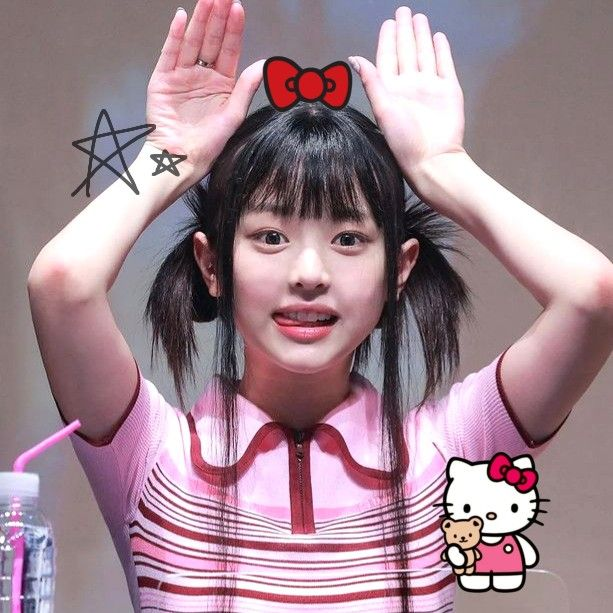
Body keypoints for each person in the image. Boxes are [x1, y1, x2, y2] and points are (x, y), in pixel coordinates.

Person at [26, 1, 613, 612]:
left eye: (349, 239)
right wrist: (170, 155)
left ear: (399, 270)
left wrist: (443, 168)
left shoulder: (451, 456)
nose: (309, 273)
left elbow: (590, 297)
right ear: (212, 264)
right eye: (270, 237)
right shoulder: (152, 457)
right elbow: (63, 283)